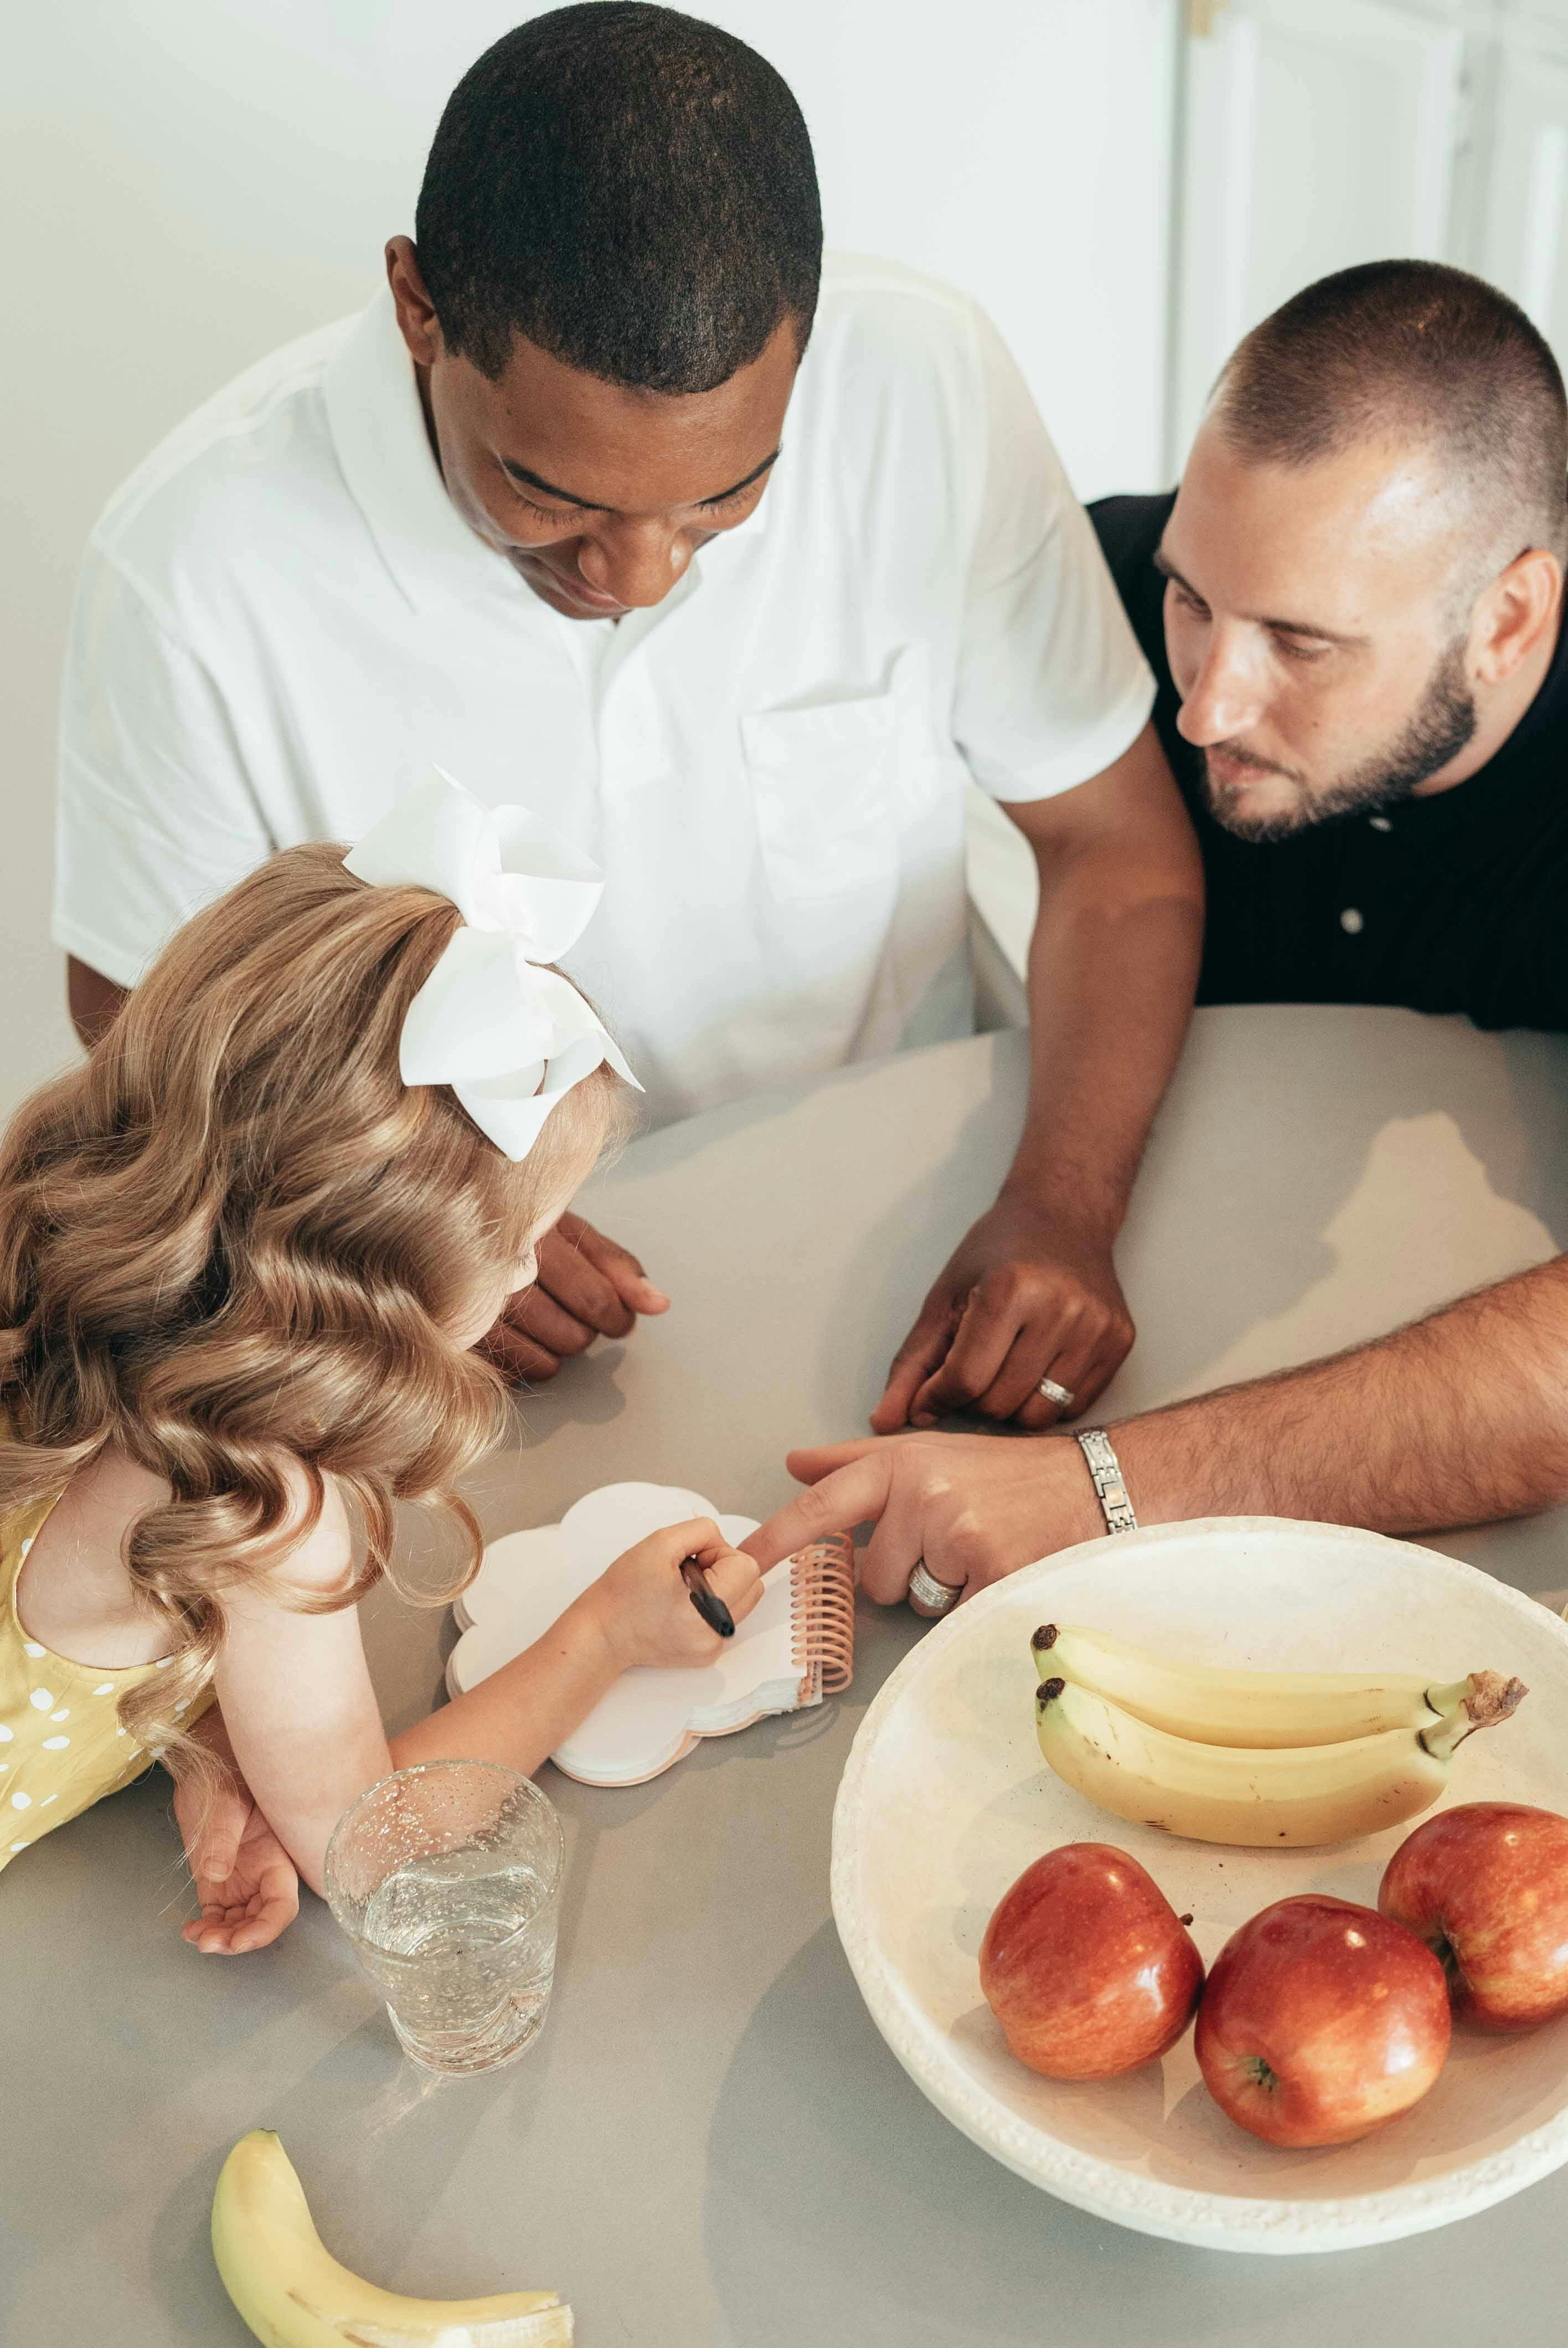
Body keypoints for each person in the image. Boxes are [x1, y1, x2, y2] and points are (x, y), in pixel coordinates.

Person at [53, 4, 1202, 1437]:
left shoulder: (929, 386)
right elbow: (141, 1025)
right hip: (456, 1336)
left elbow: (1115, 853)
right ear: (420, 310)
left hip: (919, 1226)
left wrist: (1062, 1202)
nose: (640, 575)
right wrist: (406, 1231)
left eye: (727, 496)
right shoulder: (194, 561)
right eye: (552, 493)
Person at [742, 260, 1568, 1610]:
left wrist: (1103, 1493)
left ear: (1510, 616)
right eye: (1195, 600)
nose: (1202, 708)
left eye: (1302, 642)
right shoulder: (1111, 586)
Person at [2, 774, 765, 1949]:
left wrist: (202, 1737)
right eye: (521, 1243)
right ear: (367, 1282)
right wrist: (603, 1633)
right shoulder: (264, 1495)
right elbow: (373, 1845)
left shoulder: (41, 1226)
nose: (525, 1277)